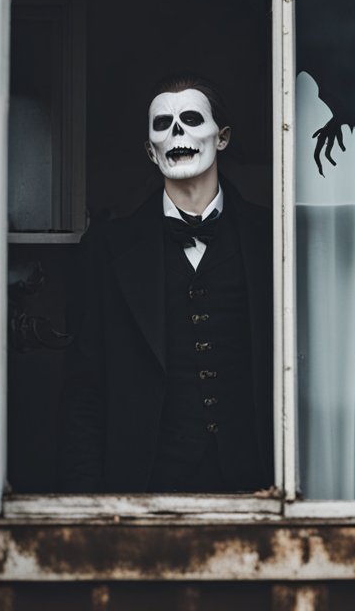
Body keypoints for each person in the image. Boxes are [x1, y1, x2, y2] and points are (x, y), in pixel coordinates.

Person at [59, 76, 273, 493]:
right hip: (148, 478)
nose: (177, 133)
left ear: (222, 137)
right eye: (163, 124)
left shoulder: (271, 236)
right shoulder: (107, 249)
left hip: (256, 477)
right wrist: (82, 506)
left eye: (191, 120)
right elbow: (84, 387)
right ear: (149, 150)